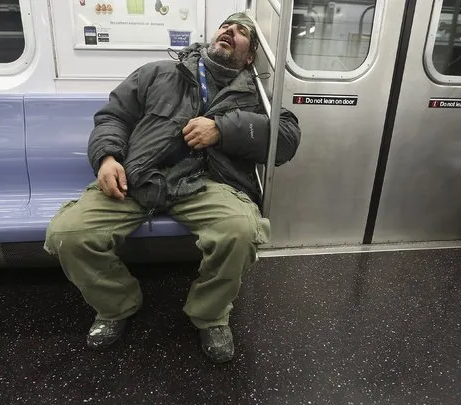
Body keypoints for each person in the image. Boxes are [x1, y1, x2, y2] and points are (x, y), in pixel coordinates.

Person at [44, 12, 301, 363]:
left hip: (205, 183)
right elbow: (113, 117)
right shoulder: (159, 72)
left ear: (250, 56)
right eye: (227, 26)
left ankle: (210, 315)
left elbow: (286, 139)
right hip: (139, 175)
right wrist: (106, 157)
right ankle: (117, 305)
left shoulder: (253, 95)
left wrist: (223, 128)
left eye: (242, 32)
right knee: (68, 233)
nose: (230, 31)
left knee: (240, 231)